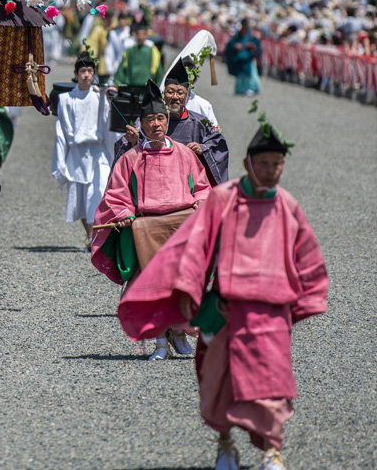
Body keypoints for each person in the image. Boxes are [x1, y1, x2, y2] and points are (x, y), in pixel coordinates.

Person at [117, 116, 328, 470]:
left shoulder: (287, 205)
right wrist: (188, 290)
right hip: (227, 307)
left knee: (272, 381)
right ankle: (225, 444)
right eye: (263, 164)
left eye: (277, 164)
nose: (271, 171)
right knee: (218, 380)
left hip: (271, 311)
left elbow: (307, 256)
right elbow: (193, 244)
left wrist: (305, 300)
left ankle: (270, 450)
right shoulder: (224, 199)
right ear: (248, 164)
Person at [91, 80, 211, 359]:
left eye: (160, 118)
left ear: (167, 121)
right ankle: (159, 342)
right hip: (146, 228)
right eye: (149, 119)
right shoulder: (131, 158)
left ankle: (179, 332)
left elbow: (203, 188)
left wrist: (201, 207)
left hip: (181, 226)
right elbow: (116, 194)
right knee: (152, 287)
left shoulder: (184, 154)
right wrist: (123, 215)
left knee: (183, 284)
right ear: (141, 124)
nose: (156, 124)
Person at [114, 58, 230, 186]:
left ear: (187, 97)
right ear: (163, 95)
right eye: (170, 92)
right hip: (153, 182)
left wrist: (202, 149)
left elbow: (218, 145)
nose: (175, 97)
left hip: (189, 184)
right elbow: (126, 146)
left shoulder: (200, 122)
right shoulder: (148, 121)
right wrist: (132, 141)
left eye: (180, 93)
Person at [52, 52, 116, 248]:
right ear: (76, 74)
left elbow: (108, 125)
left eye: (89, 71)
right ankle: (90, 236)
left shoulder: (100, 97)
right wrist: (60, 161)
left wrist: (110, 99)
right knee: (79, 199)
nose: (86, 75)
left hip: (97, 152)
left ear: (94, 74)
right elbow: (61, 132)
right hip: (77, 153)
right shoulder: (66, 99)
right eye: (82, 71)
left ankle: (98, 236)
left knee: (97, 192)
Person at [113, 21, 163, 88]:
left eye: (143, 34)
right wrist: (117, 82)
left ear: (146, 35)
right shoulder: (129, 51)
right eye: (139, 34)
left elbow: (158, 70)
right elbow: (121, 70)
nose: (141, 37)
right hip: (131, 87)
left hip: (147, 88)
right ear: (135, 35)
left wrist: (159, 84)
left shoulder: (152, 51)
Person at [225, 18, 262, 96]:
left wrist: (251, 47)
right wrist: (235, 46)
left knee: (250, 75)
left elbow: (257, 46)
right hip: (239, 59)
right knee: (240, 75)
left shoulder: (252, 35)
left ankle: (250, 89)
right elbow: (230, 44)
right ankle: (240, 89)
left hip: (249, 58)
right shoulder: (238, 35)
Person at [103, 12, 132, 82]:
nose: (122, 22)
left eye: (124, 19)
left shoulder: (130, 32)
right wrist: (109, 66)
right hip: (117, 64)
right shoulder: (113, 33)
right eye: (120, 19)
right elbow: (110, 51)